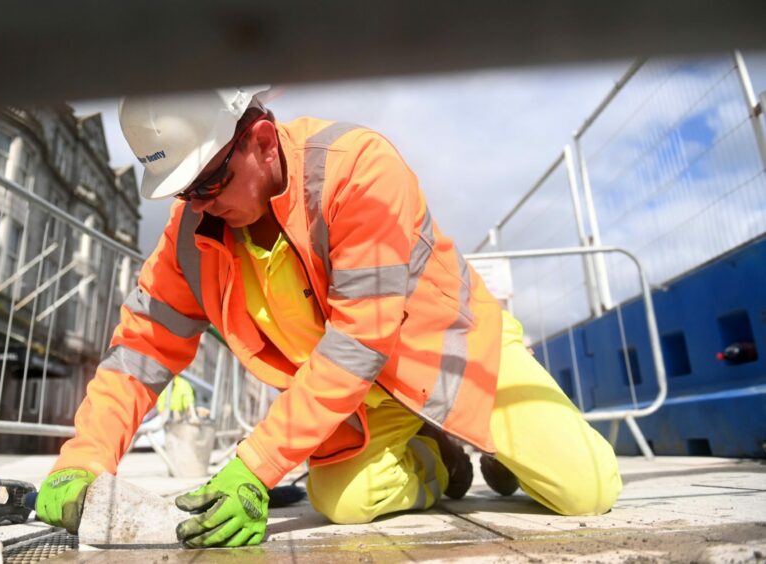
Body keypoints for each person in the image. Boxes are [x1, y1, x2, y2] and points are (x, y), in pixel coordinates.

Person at [35, 87, 622, 548]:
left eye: (211, 181)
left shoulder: (358, 169)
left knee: (586, 490)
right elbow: (141, 351)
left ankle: (479, 432)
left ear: (263, 141)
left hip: (449, 355)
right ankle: (441, 457)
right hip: (357, 401)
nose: (202, 205)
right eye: (185, 192)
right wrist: (84, 458)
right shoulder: (189, 238)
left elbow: (358, 339)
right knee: (343, 500)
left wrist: (255, 467)